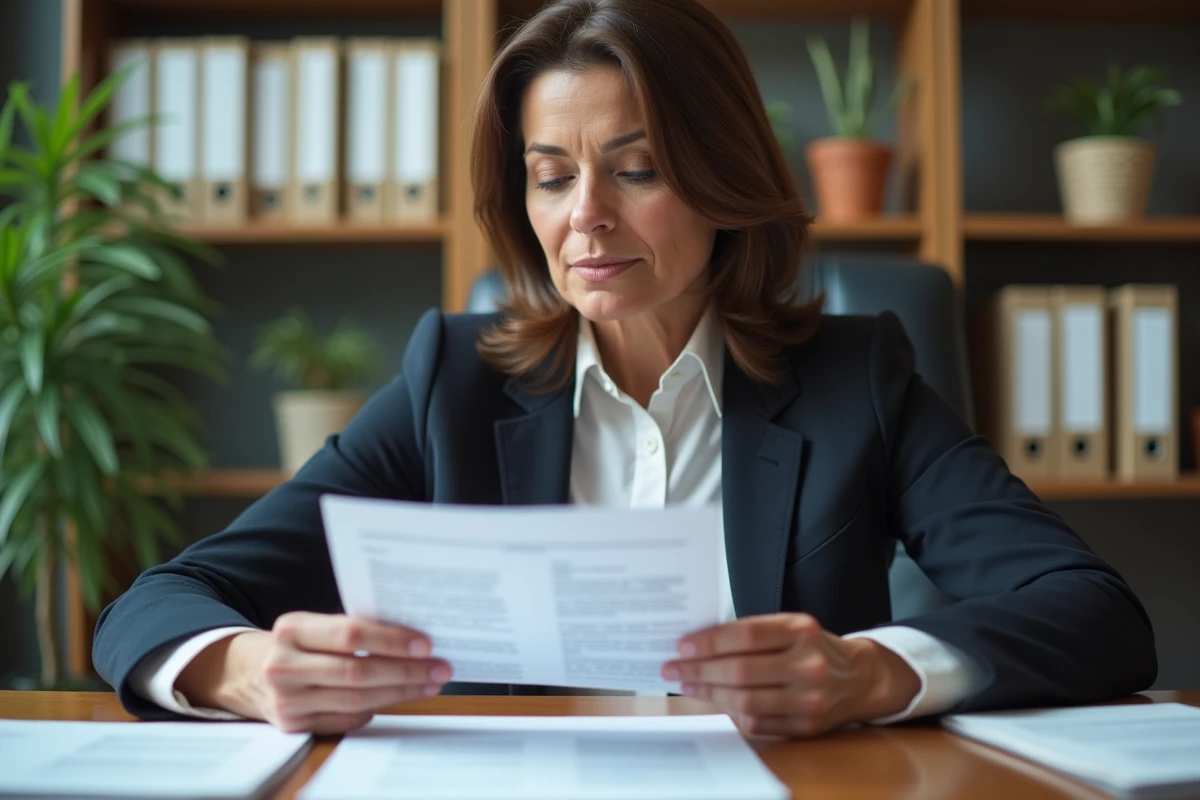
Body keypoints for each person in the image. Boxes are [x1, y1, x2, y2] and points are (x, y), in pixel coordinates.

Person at [93, 0, 1156, 738]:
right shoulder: (451, 384)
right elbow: (161, 599)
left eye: (637, 169)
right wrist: (244, 667)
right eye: (551, 177)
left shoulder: (853, 377)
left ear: (724, 179)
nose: (585, 216)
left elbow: (1093, 611)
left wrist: (870, 669)